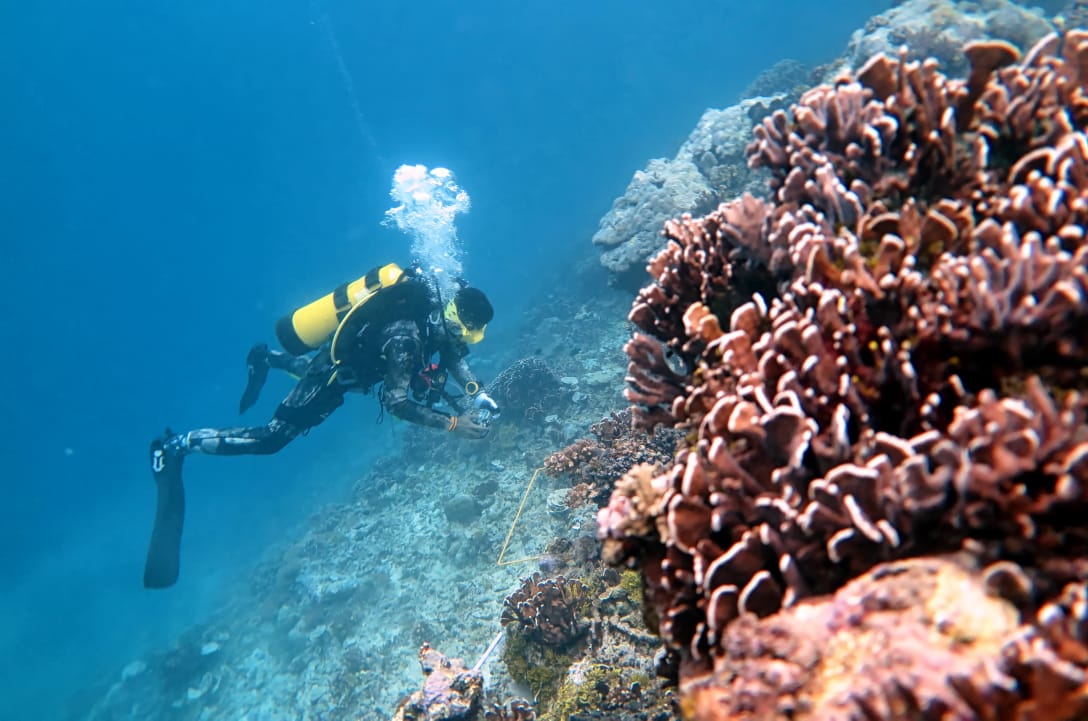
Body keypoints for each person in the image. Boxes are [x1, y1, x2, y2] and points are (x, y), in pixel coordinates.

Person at [144, 262, 500, 588]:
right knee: (273, 438)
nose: (461, 342)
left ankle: (265, 357)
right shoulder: (406, 337)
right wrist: (454, 424)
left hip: (354, 364)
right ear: (451, 318)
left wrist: (477, 394)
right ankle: (175, 445)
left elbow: (452, 356)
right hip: (337, 373)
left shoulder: (438, 315)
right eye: (462, 333)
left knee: (325, 370)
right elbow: (397, 403)